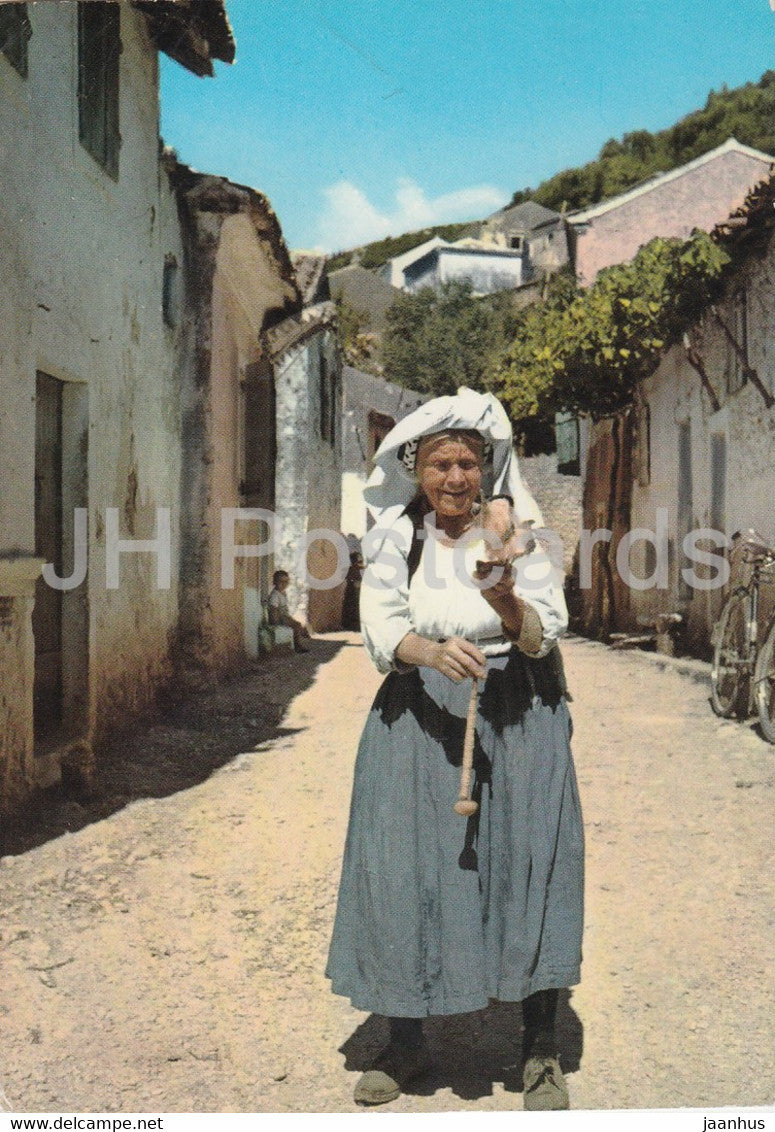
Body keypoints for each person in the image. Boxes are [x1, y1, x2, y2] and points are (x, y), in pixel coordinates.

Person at [325, 388, 583, 1110]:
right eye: (440, 464)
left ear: (487, 467)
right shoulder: (395, 538)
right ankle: (406, 1041)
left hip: (520, 712)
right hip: (418, 717)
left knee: (529, 866)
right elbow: (382, 629)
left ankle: (539, 1048)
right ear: (416, 469)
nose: (455, 478)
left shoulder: (522, 539)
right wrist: (430, 651)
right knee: (405, 869)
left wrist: (503, 595)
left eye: (468, 463)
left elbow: (544, 631)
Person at [267, 570, 311, 653]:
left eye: (286, 582)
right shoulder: (275, 595)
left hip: (284, 615)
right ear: (275, 582)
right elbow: (273, 609)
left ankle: (302, 635)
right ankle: (297, 645)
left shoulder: (282, 593)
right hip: (279, 617)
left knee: (299, 625)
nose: (284, 584)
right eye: (281, 582)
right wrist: (276, 621)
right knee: (296, 625)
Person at [341, 550, 364, 631]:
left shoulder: (356, 569)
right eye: (359, 562)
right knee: (352, 608)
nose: (361, 564)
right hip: (352, 591)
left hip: (354, 590)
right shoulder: (351, 570)